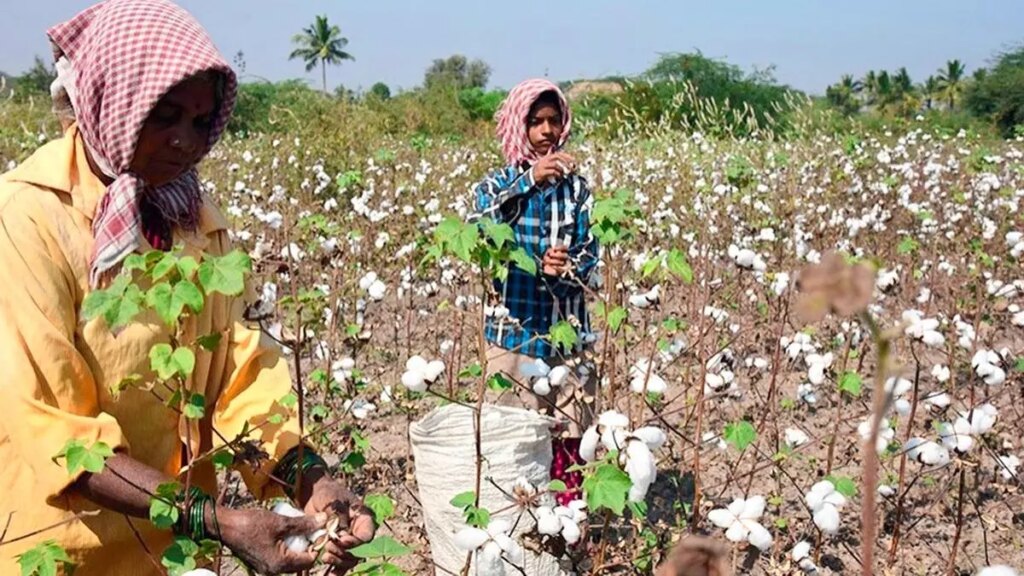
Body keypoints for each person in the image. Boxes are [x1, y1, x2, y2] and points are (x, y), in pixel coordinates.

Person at [0, 1, 373, 574]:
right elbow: (58, 434)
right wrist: (217, 520)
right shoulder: (27, 218)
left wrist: (310, 478)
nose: (185, 142)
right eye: (164, 116)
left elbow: (243, 376)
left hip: (173, 554)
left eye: (200, 123)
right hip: (64, 551)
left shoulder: (195, 217)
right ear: (110, 101)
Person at [469, 79, 600, 504]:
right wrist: (528, 180)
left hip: (567, 327)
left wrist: (566, 267)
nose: (546, 130)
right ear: (519, 125)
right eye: (536, 121)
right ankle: (518, 515)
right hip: (513, 330)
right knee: (514, 427)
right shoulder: (497, 185)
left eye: (553, 120)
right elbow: (480, 226)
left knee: (570, 425)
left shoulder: (578, 191)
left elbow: (590, 256)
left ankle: (564, 516)